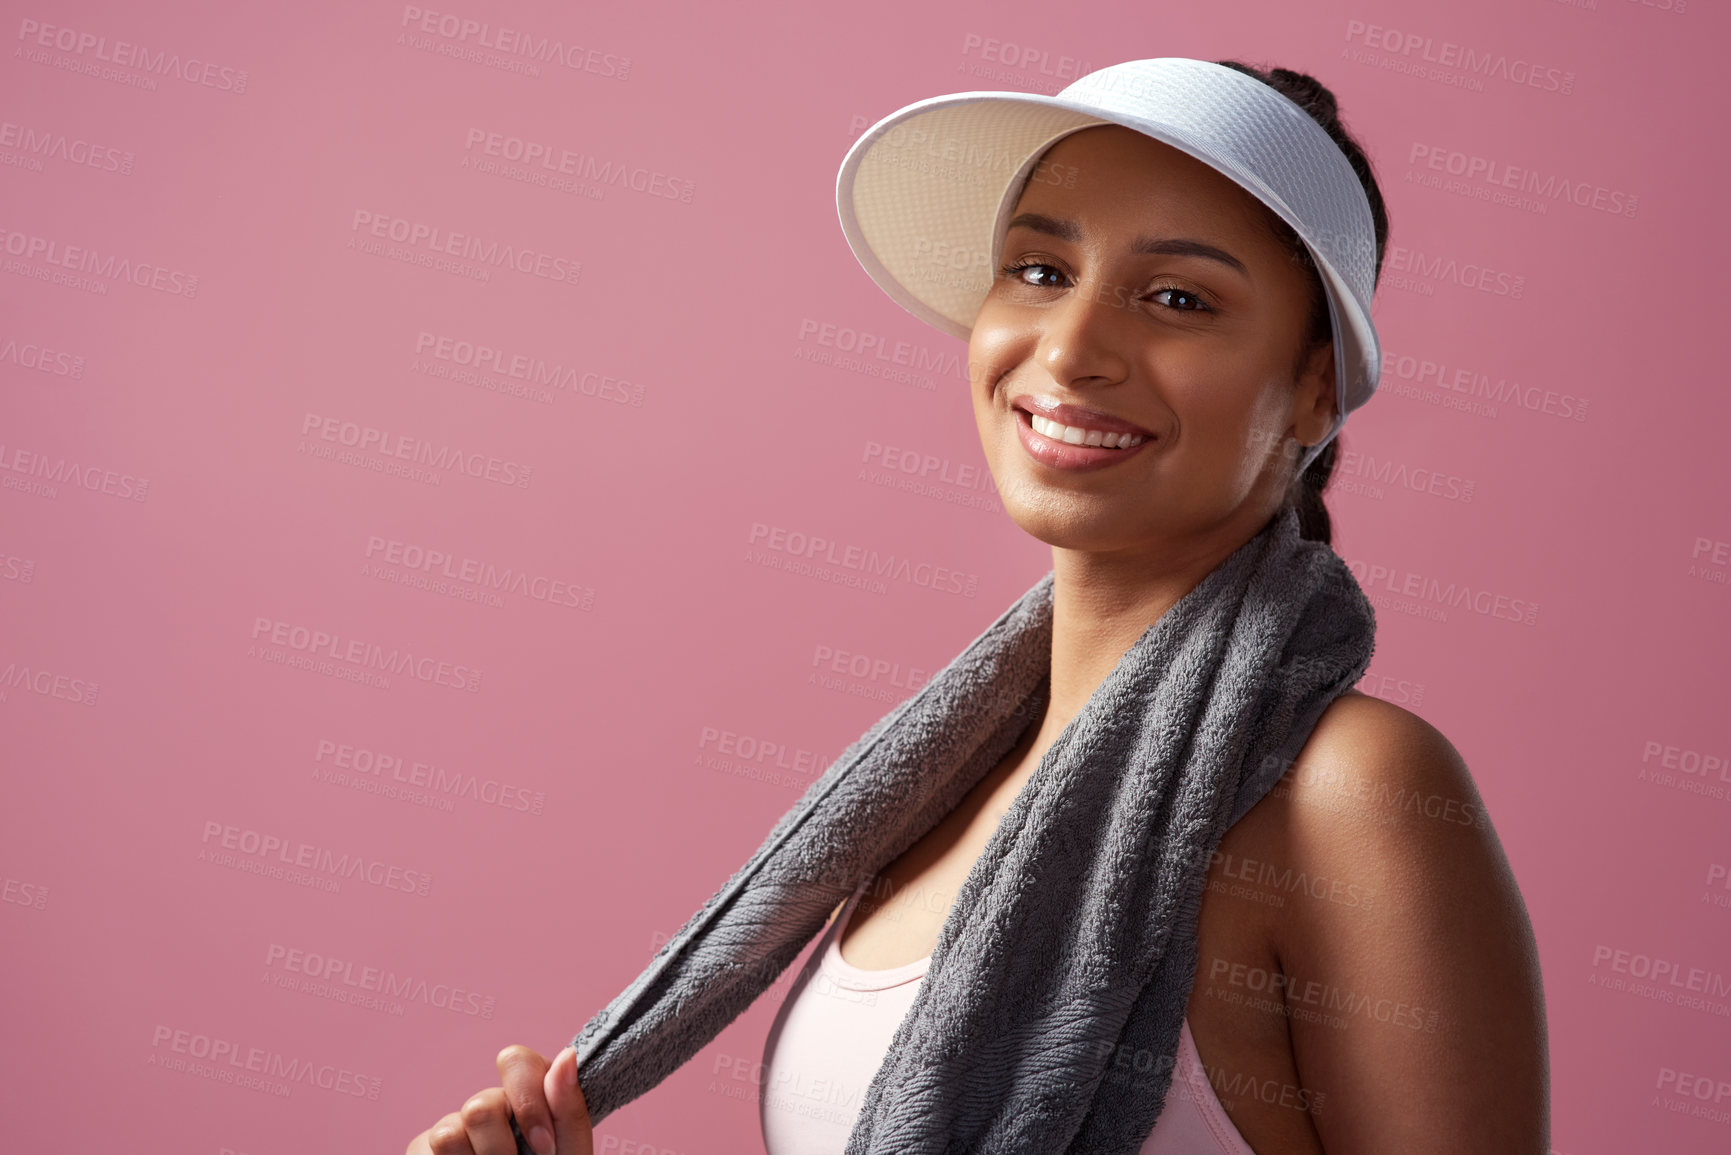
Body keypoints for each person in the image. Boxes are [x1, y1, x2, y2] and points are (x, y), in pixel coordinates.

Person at [406, 59, 1548, 1155]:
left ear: (1312, 388)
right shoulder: (939, 789)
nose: (1074, 347)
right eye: (1042, 272)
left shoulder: (1354, 794)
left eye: (1178, 298)